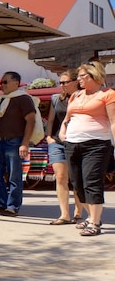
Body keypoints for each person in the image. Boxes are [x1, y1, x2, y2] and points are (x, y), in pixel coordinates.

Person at [59, 61, 115, 237]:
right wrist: (62, 131)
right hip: (72, 143)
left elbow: (113, 121)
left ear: (95, 76)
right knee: (77, 183)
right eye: (79, 76)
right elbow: (67, 118)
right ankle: (91, 217)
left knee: (91, 181)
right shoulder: (76, 95)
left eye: (83, 76)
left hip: (97, 144)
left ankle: (95, 222)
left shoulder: (108, 94)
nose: (79, 79)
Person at [0, 71, 42, 217]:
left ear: (16, 83)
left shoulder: (23, 98)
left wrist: (24, 143)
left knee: (14, 175)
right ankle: (1, 203)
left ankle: (12, 206)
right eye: (1, 82)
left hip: (14, 141)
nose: (2, 85)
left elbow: (31, 120)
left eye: (5, 82)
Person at [46, 71, 86, 225]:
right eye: (60, 82)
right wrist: (48, 137)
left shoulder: (84, 98)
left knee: (76, 178)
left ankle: (78, 212)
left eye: (65, 82)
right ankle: (64, 214)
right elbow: (51, 120)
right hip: (57, 141)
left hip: (77, 141)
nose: (62, 85)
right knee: (61, 177)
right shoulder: (56, 99)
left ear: (75, 81)